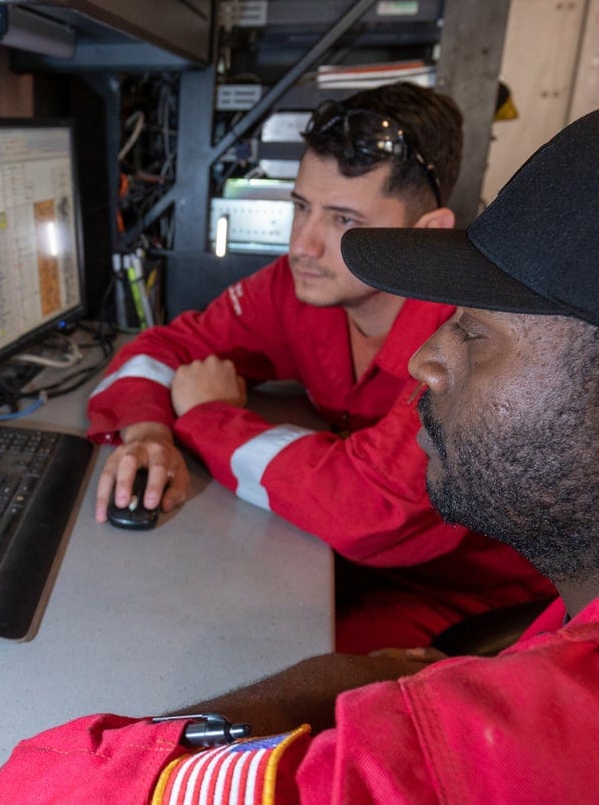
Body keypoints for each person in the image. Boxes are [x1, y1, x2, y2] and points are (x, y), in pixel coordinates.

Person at [0, 94, 599, 802]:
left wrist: (359, 681)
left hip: (440, 605)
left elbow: (52, 791)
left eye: (476, 332)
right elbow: (167, 349)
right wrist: (154, 422)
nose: (425, 356)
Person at [90, 83, 551, 651]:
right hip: (339, 561)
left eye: (341, 221)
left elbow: (372, 507)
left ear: (426, 234)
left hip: (467, 596)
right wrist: (149, 433)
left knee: (260, 671)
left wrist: (208, 417)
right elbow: (160, 347)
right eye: (301, 207)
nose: (302, 246)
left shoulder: (468, 338)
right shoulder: (297, 290)